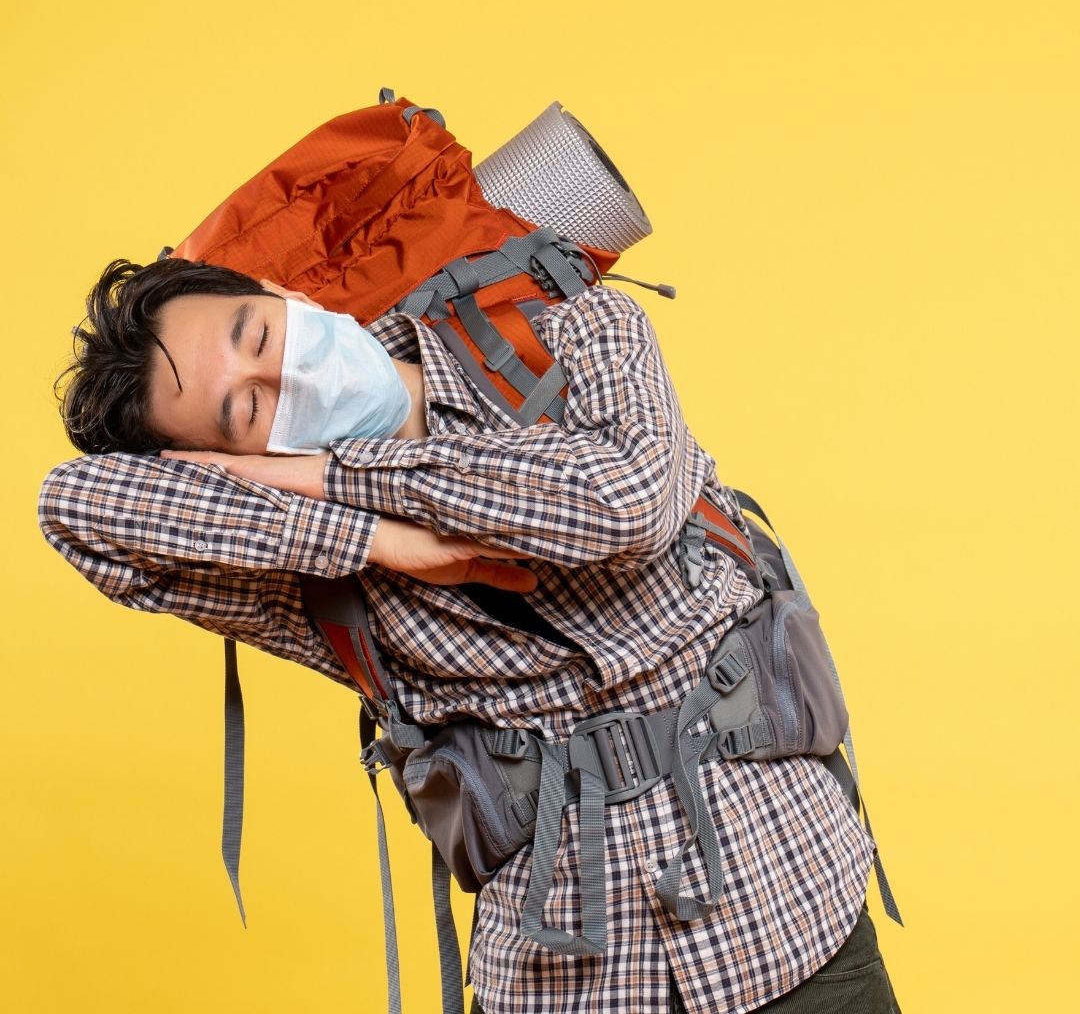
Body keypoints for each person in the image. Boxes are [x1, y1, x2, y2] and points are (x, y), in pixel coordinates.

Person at [40, 256, 902, 1013]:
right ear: (234, 459)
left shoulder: (568, 328)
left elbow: (627, 502)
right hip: (560, 982)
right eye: (248, 411)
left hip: (789, 916)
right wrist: (377, 541)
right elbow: (72, 509)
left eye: (260, 335)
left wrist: (337, 472)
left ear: (283, 292)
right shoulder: (308, 571)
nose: (287, 379)